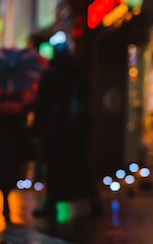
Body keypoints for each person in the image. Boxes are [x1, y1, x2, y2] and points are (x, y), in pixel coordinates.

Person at [31, 42, 101, 218]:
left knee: (54, 167)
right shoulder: (77, 73)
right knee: (79, 164)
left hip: (56, 127)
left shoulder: (50, 75)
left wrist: (36, 128)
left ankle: (51, 204)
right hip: (75, 127)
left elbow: (42, 103)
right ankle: (94, 200)